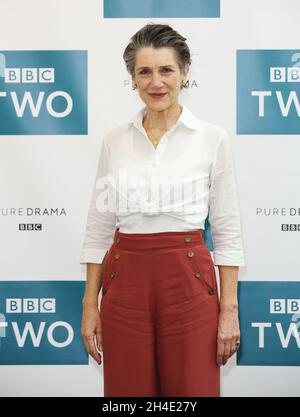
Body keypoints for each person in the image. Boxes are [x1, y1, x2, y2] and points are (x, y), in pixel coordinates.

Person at [80, 23, 245, 397]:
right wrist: (91, 304)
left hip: (189, 278)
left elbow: (227, 229)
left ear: (185, 72)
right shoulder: (114, 140)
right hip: (124, 283)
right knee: (127, 393)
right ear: (133, 79)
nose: (156, 82)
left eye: (166, 70)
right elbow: (98, 227)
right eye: (144, 71)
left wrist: (229, 311)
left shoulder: (212, 138)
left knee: (193, 391)